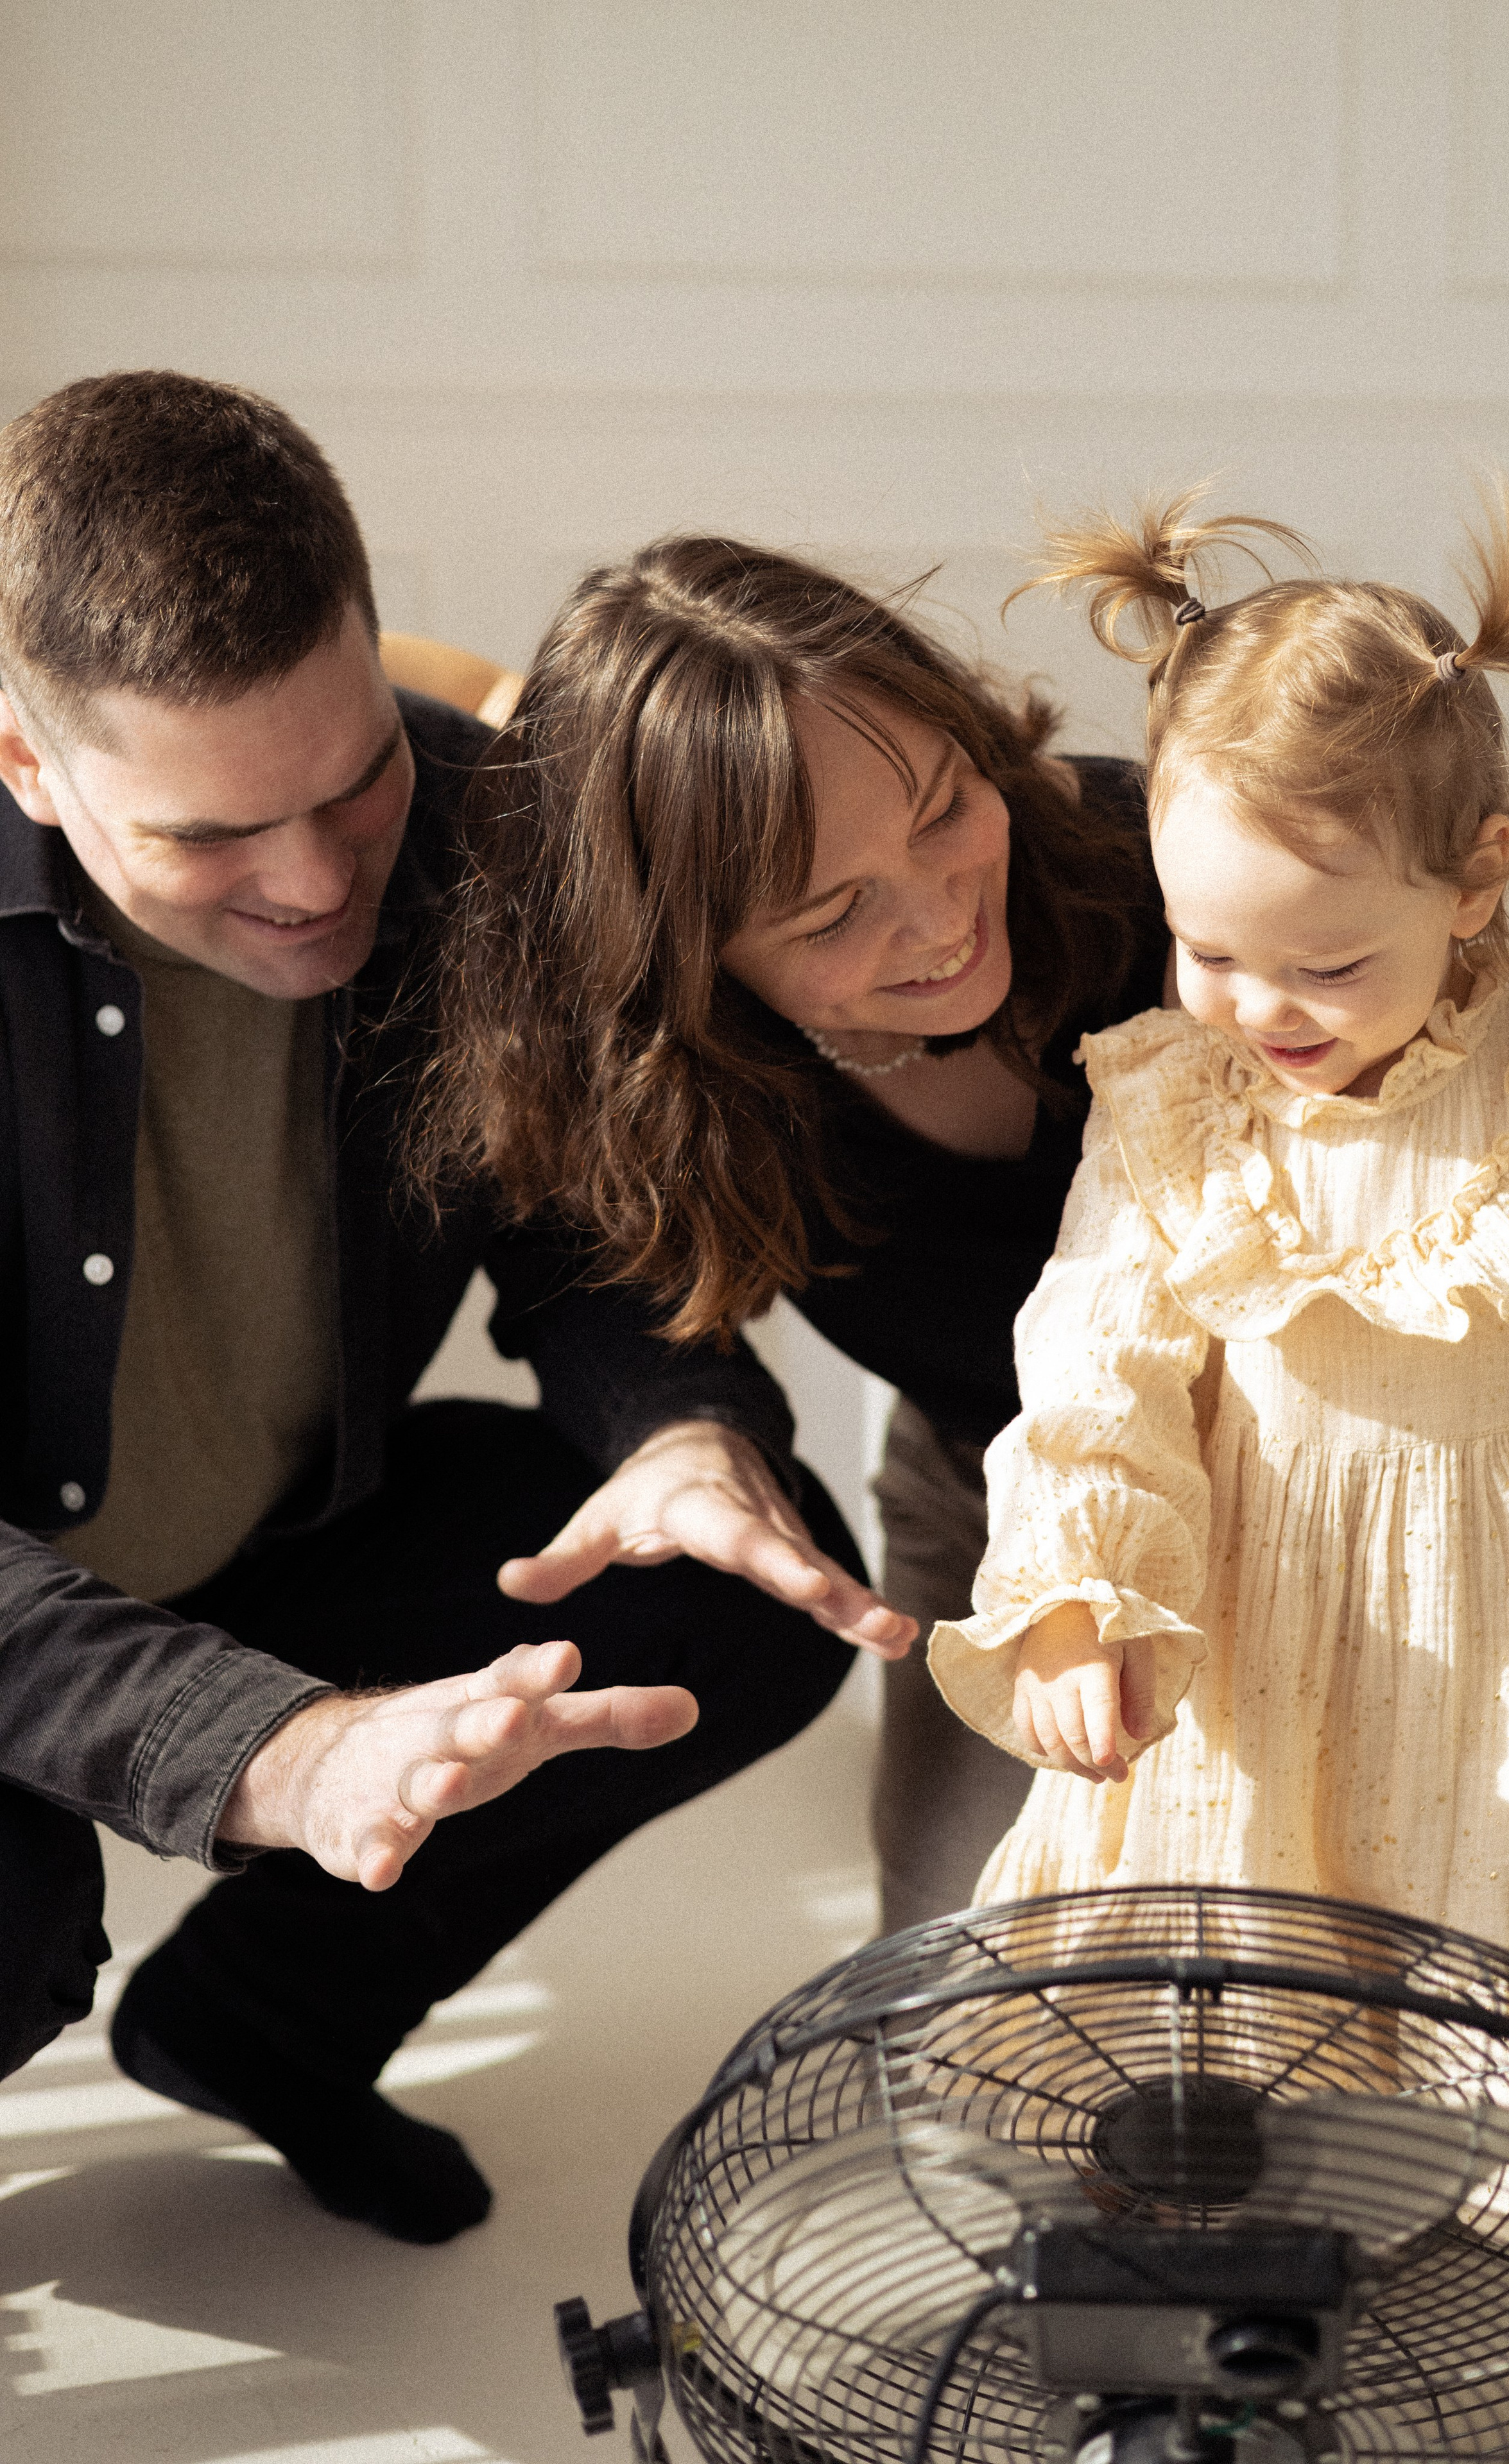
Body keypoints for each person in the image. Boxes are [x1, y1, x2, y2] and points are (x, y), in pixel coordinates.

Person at [0, 372, 915, 2245]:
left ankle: (259, 2027)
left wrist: (679, 1430)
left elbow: (571, 1221)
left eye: (355, 780)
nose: (319, 879)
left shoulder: (479, 821)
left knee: (723, 1596)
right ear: (28, 764)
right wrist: (272, 1749)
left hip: (267, 1530)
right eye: (212, 840)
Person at [924, 487, 1509, 2024]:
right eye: (1210, 952)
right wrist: (1076, 1603)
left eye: (1324, 965)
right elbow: (1092, 1367)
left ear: (1473, 883)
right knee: (1234, 1981)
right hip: (1261, 1633)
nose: (1261, 1009)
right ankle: (1229, 2217)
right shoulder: (1174, 1109)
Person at [415, 537, 1171, 1933]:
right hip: (994, 1492)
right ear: (687, 954)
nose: (942, 919)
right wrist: (679, 1435)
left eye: (946, 810)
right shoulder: (670, 1085)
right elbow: (435, 682)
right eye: (833, 912)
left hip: (1323, 1468)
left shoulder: (1158, 879)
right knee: (971, 2008)